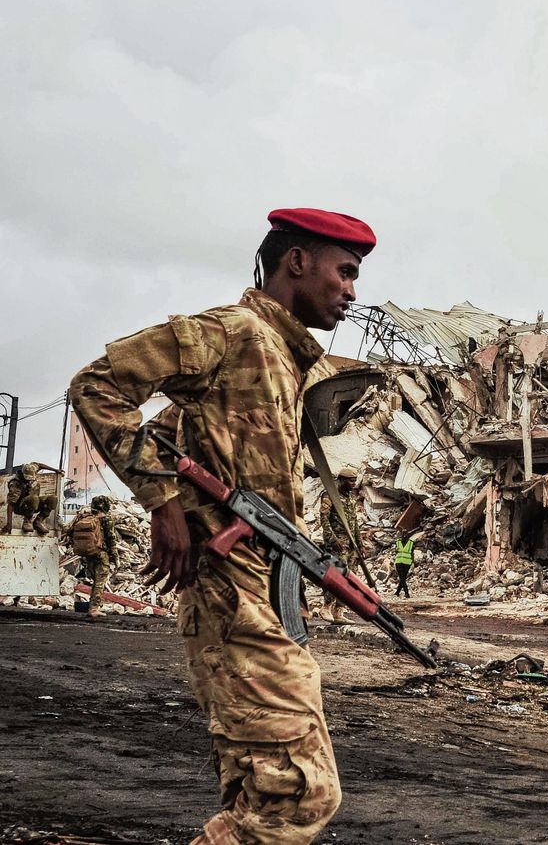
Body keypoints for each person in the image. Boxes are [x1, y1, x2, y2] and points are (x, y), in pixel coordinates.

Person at [69, 206, 375, 843]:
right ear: (297, 261)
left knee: (260, 784)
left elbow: (176, 435)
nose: (352, 291)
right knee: (299, 795)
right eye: (344, 272)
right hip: (230, 592)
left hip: (255, 586)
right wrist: (162, 503)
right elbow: (96, 386)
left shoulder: (285, 362)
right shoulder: (232, 332)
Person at [319, 472, 361, 624]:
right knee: (336, 575)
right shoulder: (330, 494)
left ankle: (339, 611)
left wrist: (359, 542)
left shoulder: (351, 497)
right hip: (336, 544)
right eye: (351, 480)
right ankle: (326, 607)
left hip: (350, 544)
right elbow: (324, 518)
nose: (354, 483)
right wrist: (332, 539)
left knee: (350, 577)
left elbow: (354, 521)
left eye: (355, 480)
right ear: (341, 480)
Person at [69, 495, 118, 617]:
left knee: (95, 580)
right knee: (100, 582)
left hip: (88, 553)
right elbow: (111, 539)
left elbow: (69, 531)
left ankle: (92, 607)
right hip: (101, 554)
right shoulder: (106, 520)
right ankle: (94, 608)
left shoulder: (83, 518)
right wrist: (115, 557)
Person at [6, 462, 59, 535]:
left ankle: (38, 521)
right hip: (20, 507)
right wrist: (9, 524)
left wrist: (55, 470)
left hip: (34, 504)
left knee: (53, 499)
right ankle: (27, 521)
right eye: (28, 478)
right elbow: (11, 505)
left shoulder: (32, 469)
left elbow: (40, 465)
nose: (29, 480)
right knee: (34, 498)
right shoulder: (15, 483)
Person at [393, 527, 416, 598]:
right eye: (403, 533)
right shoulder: (397, 542)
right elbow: (396, 551)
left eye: (406, 533)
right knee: (402, 577)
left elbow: (412, 553)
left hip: (407, 562)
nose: (404, 535)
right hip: (399, 562)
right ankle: (406, 592)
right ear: (401, 534)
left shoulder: (411, 543)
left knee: (403, 578)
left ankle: (397, 592)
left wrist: (412, 562)